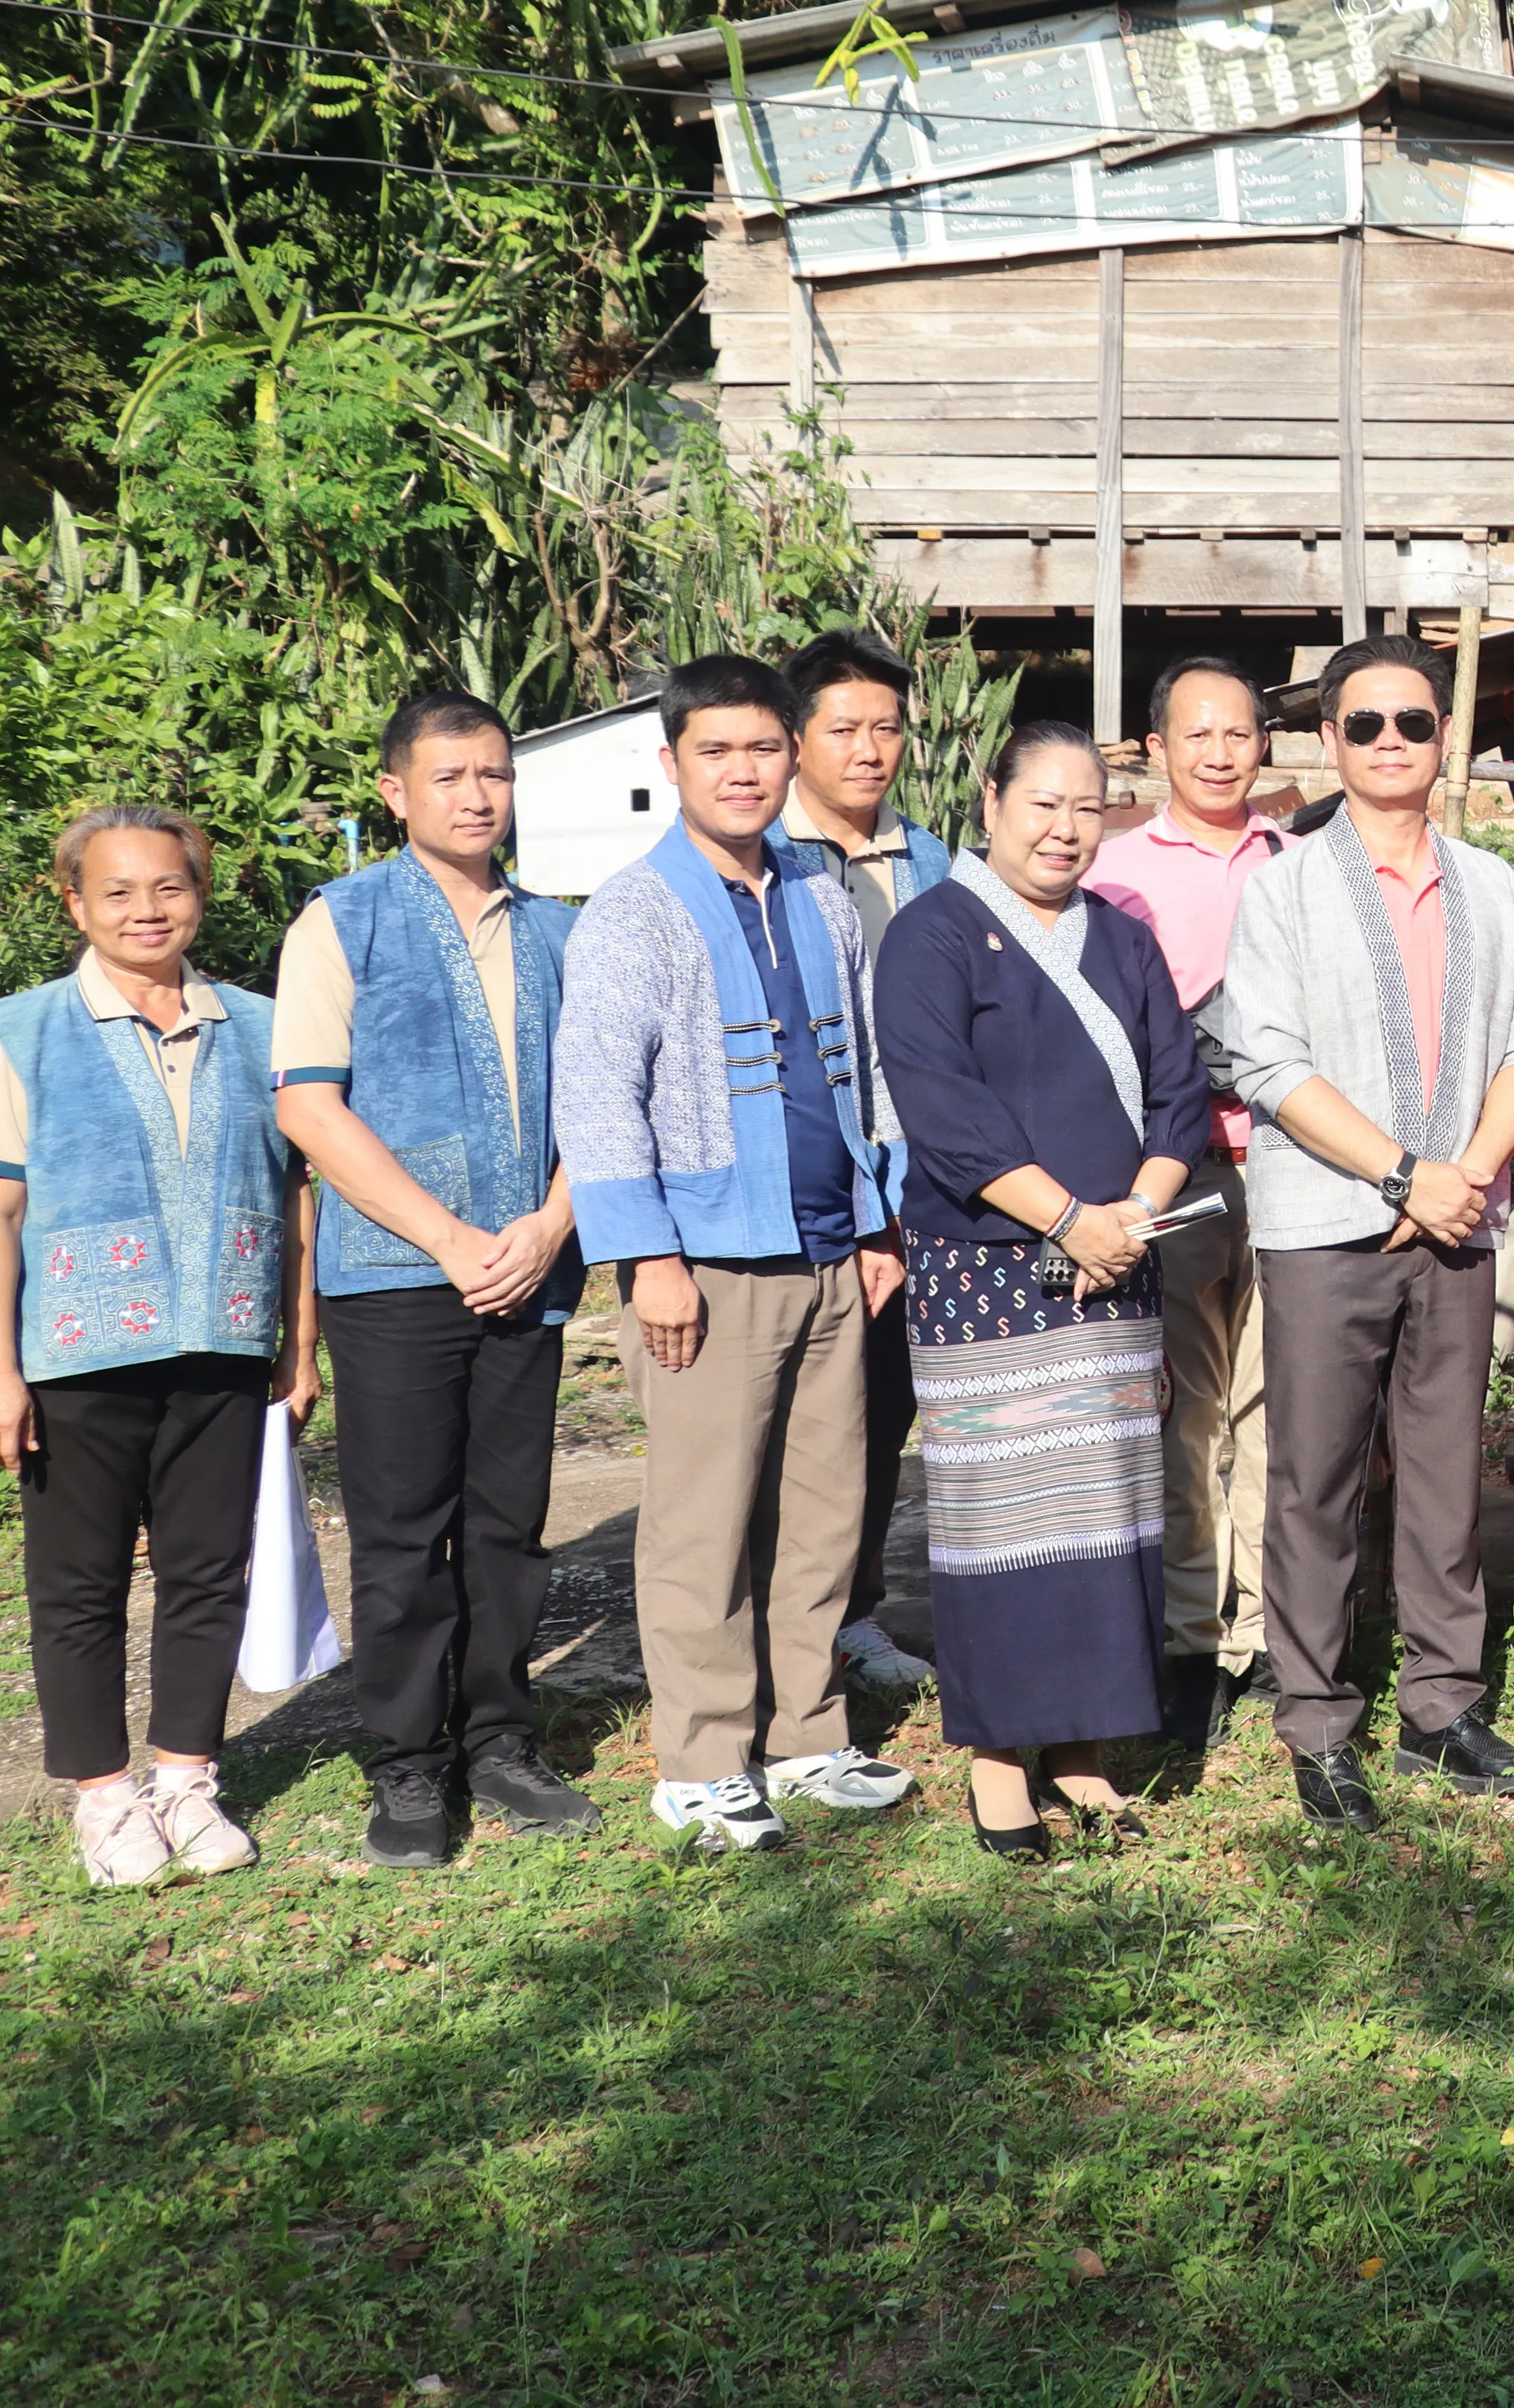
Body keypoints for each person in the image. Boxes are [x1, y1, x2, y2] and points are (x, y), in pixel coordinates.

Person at [554, 656, 918, 1853]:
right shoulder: (634, 910)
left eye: (763, 749)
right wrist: (647, 1257)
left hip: (830, 1248)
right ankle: (704, 1759)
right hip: (707, 1263)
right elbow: (600, 1097)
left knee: (825, 1510)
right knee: (705, 1521)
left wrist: (876, 1219)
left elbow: (863, 1070)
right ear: (673, 766)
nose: (745, 771)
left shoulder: (815, 891)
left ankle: (809, 1734)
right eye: (718, 752)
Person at [1216, 633, 1514, 1825]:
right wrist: (1405, 1172)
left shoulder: (1494, 888)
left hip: (1461, 1217)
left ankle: (1441, 1706)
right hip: (1326, 1225)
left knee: (1444, 1476)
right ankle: (1317, 1723)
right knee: (1314, 1478)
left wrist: (1467, 1171)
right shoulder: (1286, 886)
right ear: (1331, 740)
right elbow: (1266, 1060)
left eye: (1412, 722)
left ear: (1443, 737)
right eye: (1365, 725)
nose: (1391, 744)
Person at [872, 720, 1213, 1857]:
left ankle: (1083, 1750)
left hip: (1120, 1256)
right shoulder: (933, 936)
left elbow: (1179, 1090)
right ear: (991, 802)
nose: (1067, 829)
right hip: (991, 1267)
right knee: (1002, 1516)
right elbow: (944, 1114)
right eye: (1045, 804)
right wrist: (1070, 1218)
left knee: (1109, 1512)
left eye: (1088, 808)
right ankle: (997, 1759)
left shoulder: (1119, 938)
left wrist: (1131, 1217)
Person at [272, 689, 596, 1867]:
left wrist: (553, 1223)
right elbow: (309, 1104)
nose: (476, 796)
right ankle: (408, 1766)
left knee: (509, 1524)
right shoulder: (341, 922)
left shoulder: (561, 930)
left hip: (535, 1266)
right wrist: (454, 1239)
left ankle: (500, 1738)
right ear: (396, 791)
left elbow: (599, 1105)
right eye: (449, 776)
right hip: (397, 1278)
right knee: (405, 1530)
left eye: (493, 775)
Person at [3, 808, 317, 1889]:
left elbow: (297, 1195)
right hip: (75, 1357)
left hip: (225, 1341)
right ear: (75, 903)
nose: (147, 910)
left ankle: (188, 1779)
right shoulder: (21, 1031)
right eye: (119, 892)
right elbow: (1, 1216)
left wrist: (300, 1337)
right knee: (77, 1586)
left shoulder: (266, 1027)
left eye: (168, 888)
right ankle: (102, 1798)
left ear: (201, 892)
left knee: (206, 1572)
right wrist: (2, 1369)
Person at [1082, 656, 1288, 1743]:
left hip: (1295, 1170)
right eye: (1196, 734)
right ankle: (1187, 1637)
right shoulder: (1113, 874)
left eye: (1240, 733)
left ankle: (1263, 1635)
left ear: (1266, 745)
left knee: (1273, 1412)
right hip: (1172, 1174)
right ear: (1156, 748)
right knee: (1181, 1411)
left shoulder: (1301, 864)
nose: (1221, 752)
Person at [777, 626, 955, 1707]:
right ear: (797, 738)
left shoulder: (931, 861)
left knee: (886, 1409)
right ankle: (777, 1632)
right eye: (844, 728)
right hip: (808, 1187)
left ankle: (853, 1614)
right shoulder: (768, 858)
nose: (869, 749)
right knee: (802, 1422)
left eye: (887, 728)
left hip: (922, 1185)